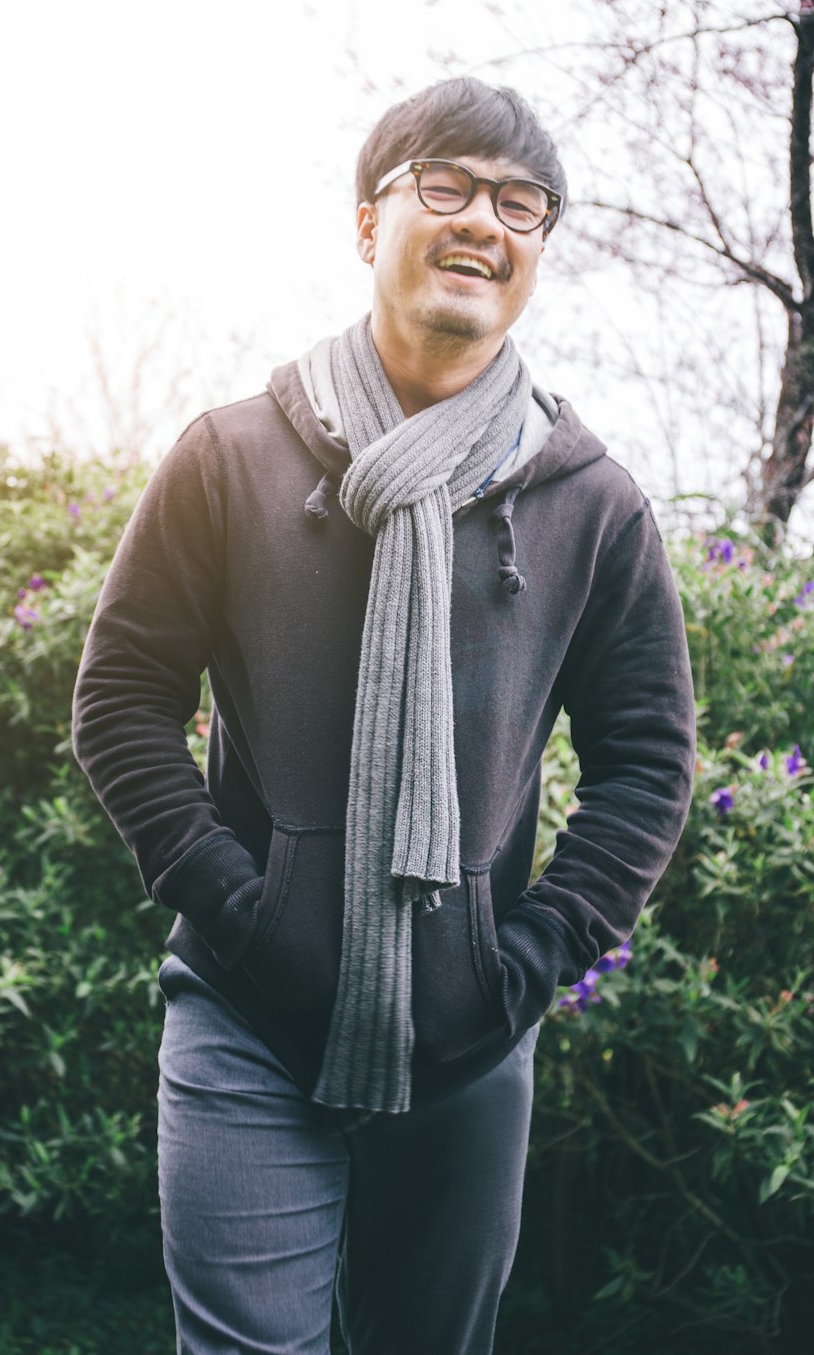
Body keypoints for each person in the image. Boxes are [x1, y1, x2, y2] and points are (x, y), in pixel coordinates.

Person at [72, 77, 696, 1354]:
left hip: (468, 1046)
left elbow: (646, 759)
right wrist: (237, 911)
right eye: (448, 186)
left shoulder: (588, 501)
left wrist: (520, 963)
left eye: (521, 203)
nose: (486, 220)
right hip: (248, 1019)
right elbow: (122, 697)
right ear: (370, 224)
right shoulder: (231, 456)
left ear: (536, 248)